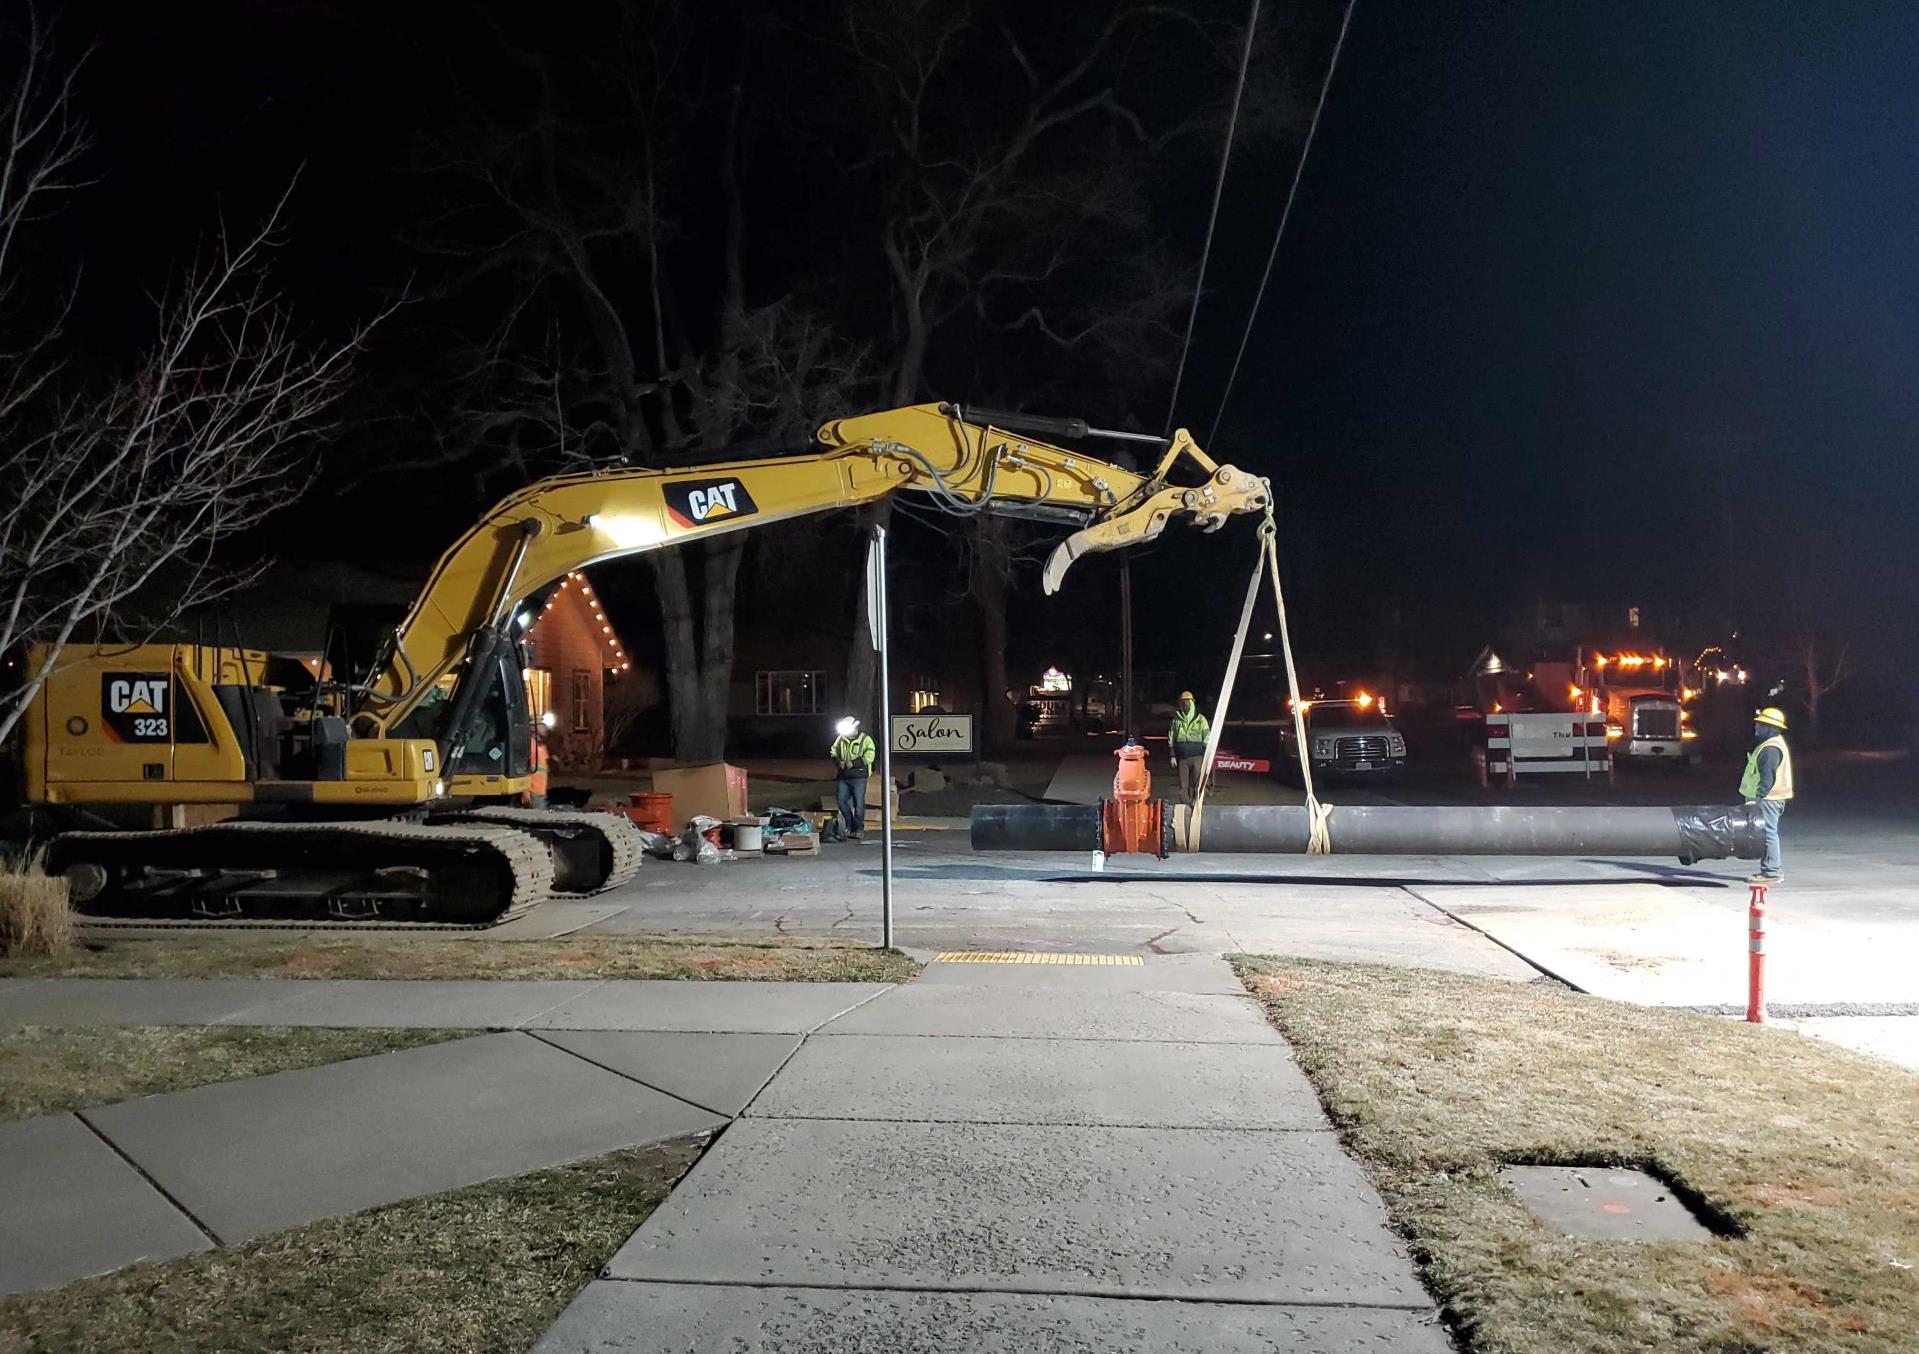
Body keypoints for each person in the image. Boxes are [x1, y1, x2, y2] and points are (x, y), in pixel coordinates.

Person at [1740, 706, 1793, 885]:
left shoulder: (1770, 748)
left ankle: (1772, 872)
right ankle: (1770, 870)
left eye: (1760, 724)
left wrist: (1757, 799)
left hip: (1769, 799)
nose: (1756, 726)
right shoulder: (1771, 744)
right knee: (1767, 833)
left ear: (1770, 727)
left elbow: (1767, 778)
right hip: (1771, 798)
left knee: (1768, 833)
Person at [830, 715, 877, 840]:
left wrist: (854, 763)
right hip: (844, 776)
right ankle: (849, 825)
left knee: (859, 804)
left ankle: (858, 829)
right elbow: (833, 751)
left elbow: (870, 756)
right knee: (841, 801)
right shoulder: (840, 739)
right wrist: (837, 761)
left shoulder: (865, 739)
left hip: (859, 777)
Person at [1169, 690, 1211, 805]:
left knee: (1198, 781)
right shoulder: (1176, 721)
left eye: (1187, 701)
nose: (1184, 704)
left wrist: (1207, 755)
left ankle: (1197, 803)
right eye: (1182, 702)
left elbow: (1207, 736)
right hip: (1182, 758)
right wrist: (1172, 755)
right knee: (1183, 785)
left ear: (1192, 703)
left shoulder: (1200, 719)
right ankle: (1185, 806)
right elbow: (1171, 738)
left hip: (1197, 757)